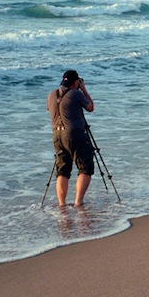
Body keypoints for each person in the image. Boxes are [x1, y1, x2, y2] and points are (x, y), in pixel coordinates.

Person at [46, 70, 95, 207]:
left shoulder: (51, 95)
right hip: (74, 133)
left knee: (62, 170)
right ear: (75, 82)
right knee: (85, 167)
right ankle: (78, 202)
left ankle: (62, 204)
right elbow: (90, 107)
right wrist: (83, 89)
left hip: (57, 135)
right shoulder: (76, 93)